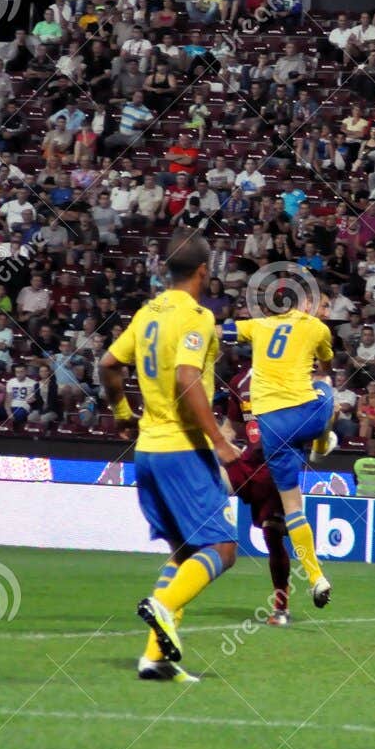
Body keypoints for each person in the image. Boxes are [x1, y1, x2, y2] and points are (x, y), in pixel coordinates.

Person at [100, 232, 240, 681]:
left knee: (183, 552)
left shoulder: (147, 312)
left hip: (147, 450)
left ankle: (153, 658)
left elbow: (108, 364)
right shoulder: (197, 316)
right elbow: (186, 376)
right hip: (183, 449)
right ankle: (162, 606)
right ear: (204, 272)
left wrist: (123, 412)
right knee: (222, 547)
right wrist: (219, 440)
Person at [220, 284, 338, 611]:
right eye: (324, 306)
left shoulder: (258, 327)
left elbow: (222, 330)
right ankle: (322, 442)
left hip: (272, 434)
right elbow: (328, 367)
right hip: (290, 427)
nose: (327, 313)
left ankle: (302, 588)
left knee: (282, 525)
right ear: (307, 304)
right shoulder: (316, 328)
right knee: (327, 390)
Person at [224, 436, 296, 627]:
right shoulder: (239, 404)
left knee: (272, 533)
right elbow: (230, 427)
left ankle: (281, 608)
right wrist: (225, 442)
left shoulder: (281, 408)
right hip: (247, 462)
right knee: (208, 481)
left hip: (274, 465)